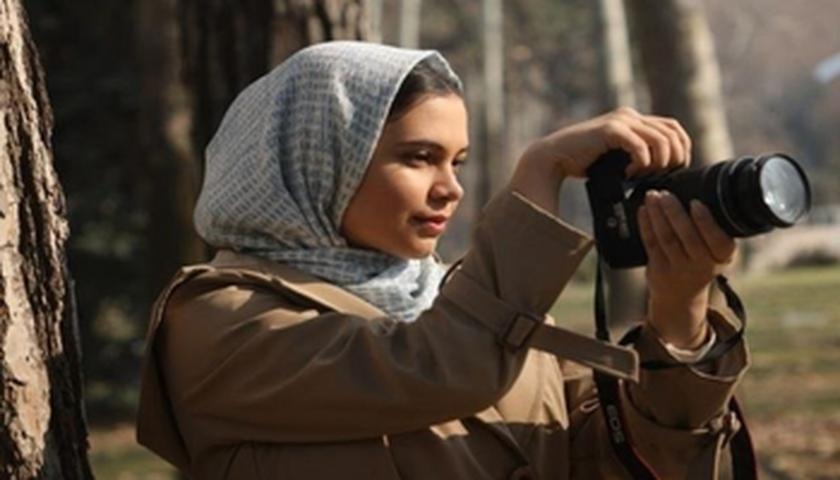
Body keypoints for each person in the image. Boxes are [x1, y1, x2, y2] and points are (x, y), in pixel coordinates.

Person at [137, 41, 749, 479]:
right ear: (317, 161)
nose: (450, 187)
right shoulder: (219, 320)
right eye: (418, 157)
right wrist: (541, 174)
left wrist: (679, 307)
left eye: (455, 161)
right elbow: (439, 367)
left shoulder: (475, 307)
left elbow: (639, 461)